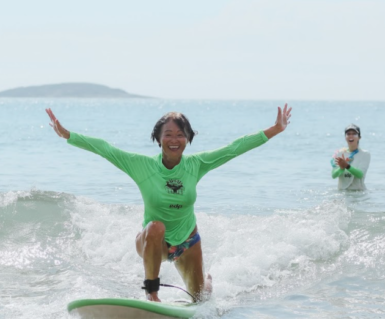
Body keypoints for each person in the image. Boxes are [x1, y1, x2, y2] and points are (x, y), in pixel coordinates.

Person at [45, 104, 292, 302]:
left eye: (180, 135)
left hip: (188, 242)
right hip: (153, 243)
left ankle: (207, 282)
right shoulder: (142, 166)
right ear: (158, 138)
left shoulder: (196, 164)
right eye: (168, 135)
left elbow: (234, 148)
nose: (174, 140)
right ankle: (151, 292)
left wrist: (275, 129)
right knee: (156, 227)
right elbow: (105, 149)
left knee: (201, 299)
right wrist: (68, 135)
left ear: (188, 138)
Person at [331, 124, 370, 191]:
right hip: (342, 193)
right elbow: (333, 175)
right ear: (345, 137)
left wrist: (347, 166)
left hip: (358, 192)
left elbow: (360, 175)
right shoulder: (340, 153)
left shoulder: (365, 154)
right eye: (348, 134)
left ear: (359, 137)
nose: (351, 136)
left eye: (354, 134)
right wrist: (341, 168)